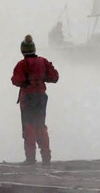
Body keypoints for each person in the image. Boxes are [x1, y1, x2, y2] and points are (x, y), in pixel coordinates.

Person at [11, 34, 59, 166]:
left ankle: (31, 159)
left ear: (23, 50)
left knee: (29, 127)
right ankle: (46, 156)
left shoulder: (22, 64)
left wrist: (27, 82)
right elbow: (54, 77)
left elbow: (16, 80)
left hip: (28, 98)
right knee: (41, 125)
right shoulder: (43, 61)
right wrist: (41, 78)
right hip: (41, 97)